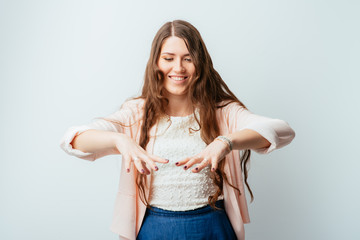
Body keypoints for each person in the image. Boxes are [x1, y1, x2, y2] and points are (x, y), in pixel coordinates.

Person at [59, 20, 295, 240]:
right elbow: (74, 140)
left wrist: (226, 142)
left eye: (188, 58)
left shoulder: (223, 112)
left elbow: (282, 131)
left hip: (212, 226)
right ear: (156, 63)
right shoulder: (137, 112)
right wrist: (120, 140)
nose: (178, 68)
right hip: (154, 228)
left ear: (199, 63)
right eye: (168, 58)